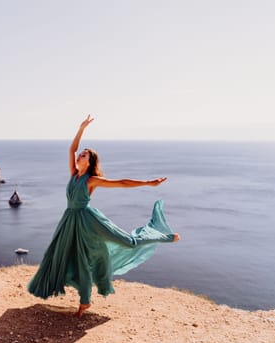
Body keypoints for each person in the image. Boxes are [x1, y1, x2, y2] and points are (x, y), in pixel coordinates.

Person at [28, 115, 180, 317]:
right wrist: (81, 128)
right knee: (76, 259)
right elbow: (71, 149)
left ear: (89, 162)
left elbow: (121, 183)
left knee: (129, 242)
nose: (79, 156)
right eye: (81, 154)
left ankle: (164, 236)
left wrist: (148, 182)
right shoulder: (74, 174)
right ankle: (84, 302)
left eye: (84, 155)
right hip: (70, 221)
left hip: (89, 220)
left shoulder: (91, 180)